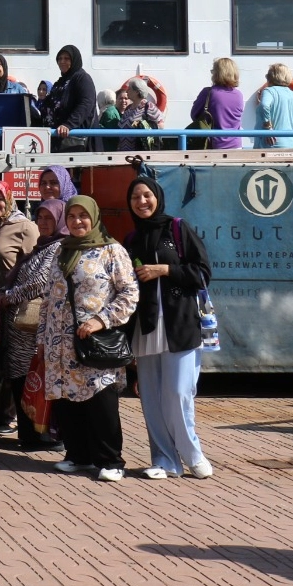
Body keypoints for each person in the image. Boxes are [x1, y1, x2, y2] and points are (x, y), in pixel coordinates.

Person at [40, 196, 140, 481]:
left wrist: (101, 320)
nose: (77, 221)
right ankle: (78, 455)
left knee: (101, 402)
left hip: (94, 341)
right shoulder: (61, 250)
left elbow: (129, 293)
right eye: (72, 216)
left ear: (94, 217)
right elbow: (48, 298)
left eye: (83, 216)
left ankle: (111, 460)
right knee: (68, 402)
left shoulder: (112, 251)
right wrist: (42, 338)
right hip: (60, 344)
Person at [122, 175, 214, 480]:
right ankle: (164, 460)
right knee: (151, 397)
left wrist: (165, 270)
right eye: (135, 198)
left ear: (157, 197)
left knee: (178, 392)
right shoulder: (131, 240)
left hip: (179, 324)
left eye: (146, 195)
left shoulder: (177, 228)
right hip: (145, 327)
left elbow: (202, 273)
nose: (142, 202)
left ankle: (192, 454)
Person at [0, 199, 67, 450]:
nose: (44, 223)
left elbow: (40, 282)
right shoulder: (40, 247)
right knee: (22, 380)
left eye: (49, 218)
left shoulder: (58, 248)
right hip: (19, 329)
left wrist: (8, 297)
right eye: (40, 218)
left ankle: (43, 436)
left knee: (35, 380)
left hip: (34, 330)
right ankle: (28, 436)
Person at [44, 45, 98, 152]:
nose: (62, 61)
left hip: (75, 140)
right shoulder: (60, 82)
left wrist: (68, 125)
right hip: (57, 138)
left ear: (74, 60)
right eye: (59, 58)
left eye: (66, 58)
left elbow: (86, 103)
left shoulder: (82, 78)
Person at [253, 63, 293, 148]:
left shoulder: (269, 91)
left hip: (268, 146)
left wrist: (267, 128)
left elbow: (264, 105)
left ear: (270, 77)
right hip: (289, 145)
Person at [189, 57, 244, 149]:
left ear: (217, 74)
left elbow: (194, 115)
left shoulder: (208, 92)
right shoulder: (239, 95)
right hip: (236, 145)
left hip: (214, 145)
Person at [116, 76, 166, 151]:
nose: (127, 91)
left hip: (140, 152)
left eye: (129, 89)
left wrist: (143, 128)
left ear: (137, 92)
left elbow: (160, 125)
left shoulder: (148, 106)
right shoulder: (128, 108)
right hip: (124, 151)